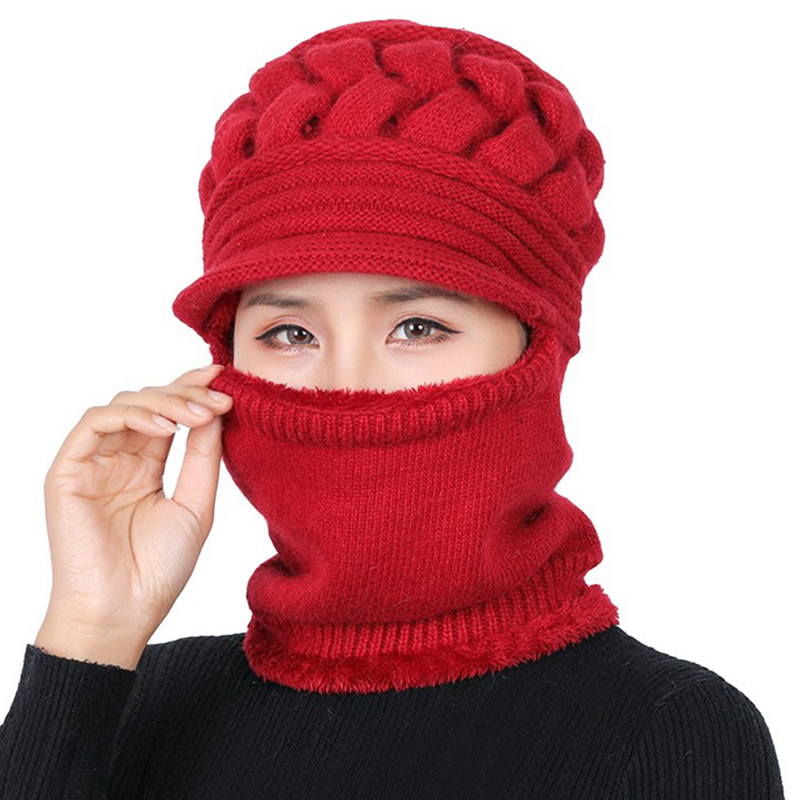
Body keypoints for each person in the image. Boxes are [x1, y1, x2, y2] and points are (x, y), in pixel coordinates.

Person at [0, 18, 785, 799]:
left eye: (418, 328)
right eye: (290, 333)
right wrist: (91, 627)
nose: (347, 385)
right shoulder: (133, 698)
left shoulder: (667, 730)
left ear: (537, 353)